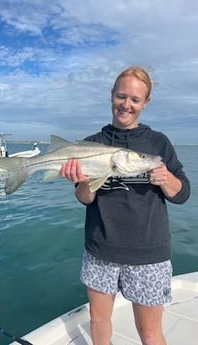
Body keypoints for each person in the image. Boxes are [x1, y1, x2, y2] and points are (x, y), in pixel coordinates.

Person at [60, 65, 190, 345]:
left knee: (151, 333)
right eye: (121, 96)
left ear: (146, 102)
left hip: (149, 254)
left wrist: (166, 178)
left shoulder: (158, 143)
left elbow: (182, 194)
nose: (126, 105)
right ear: (111, 95)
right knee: (98, 320)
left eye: (135, 99)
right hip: (100, 248)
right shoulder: (91, 144)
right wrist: (82, 182)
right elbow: (85, 198)